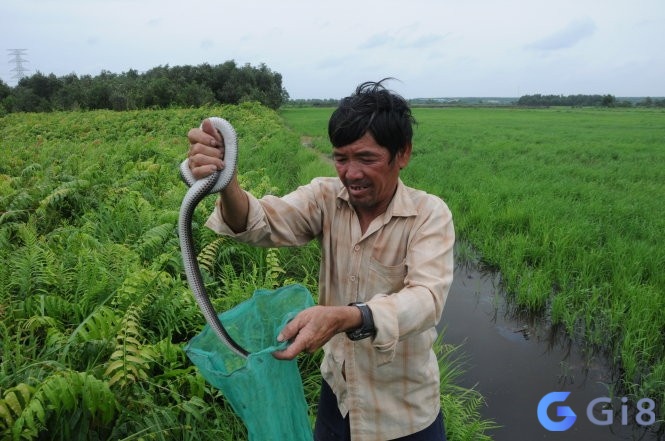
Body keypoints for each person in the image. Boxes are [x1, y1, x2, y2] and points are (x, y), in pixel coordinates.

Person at [186, 79, 455, 441]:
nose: (351, 173)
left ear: (402, 154)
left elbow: (426, 299)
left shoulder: (429, 215)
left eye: (367, 158)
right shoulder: (325, 197)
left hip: (404, 413)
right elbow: (259, 223)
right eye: (341, 158)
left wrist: (347, 317)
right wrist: (226, 181)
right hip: (338, 401)